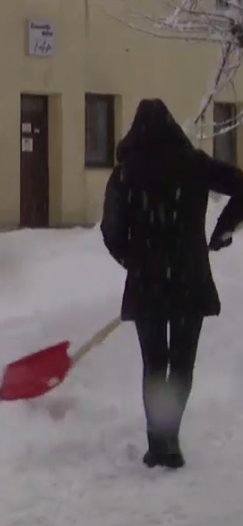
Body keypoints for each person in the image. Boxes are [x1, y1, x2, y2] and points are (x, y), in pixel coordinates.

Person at [101, 98, 243, 469]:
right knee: (181, 364)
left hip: (147, 284)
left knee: (154, 363)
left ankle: (157, 443)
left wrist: (134, 260)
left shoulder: (125, 174)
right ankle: (170, 439)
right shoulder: (193, 165)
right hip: (188, 279)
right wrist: (222, 230)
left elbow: (111, 231)